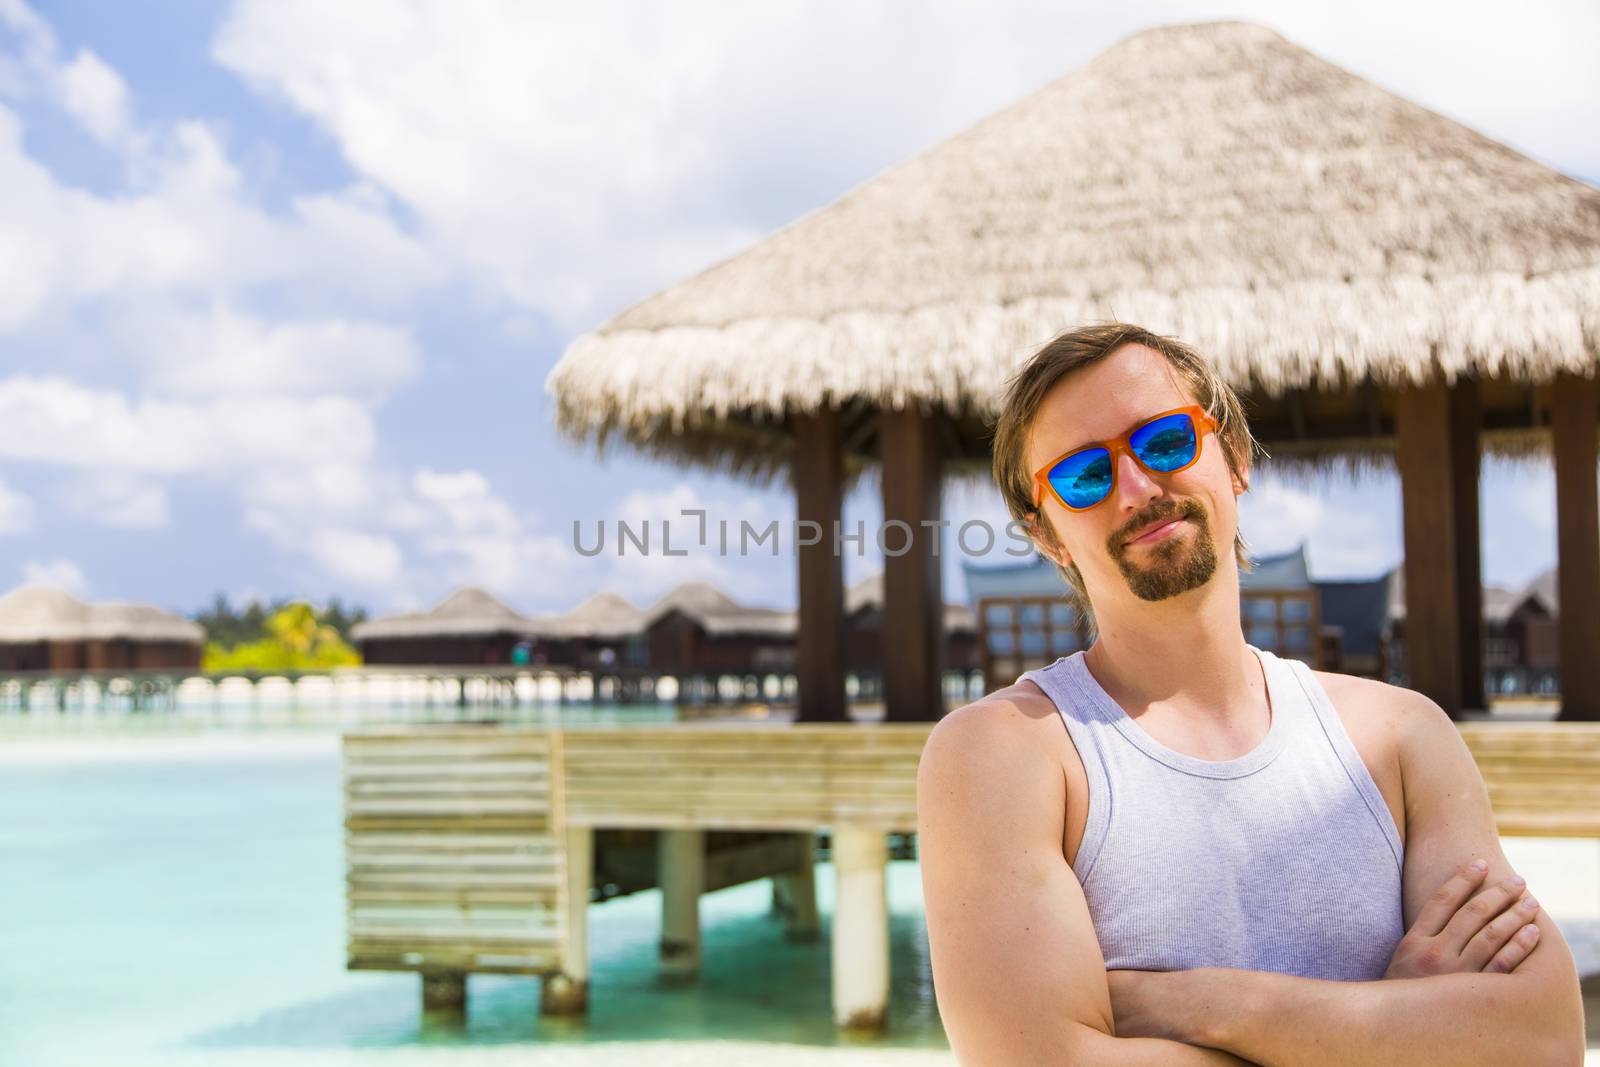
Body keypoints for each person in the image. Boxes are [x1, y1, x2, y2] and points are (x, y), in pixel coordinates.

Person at [917, 323, 1585, 1065]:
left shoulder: (1399, 736)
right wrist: (1394, 1026)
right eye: (1083, 476)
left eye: (1165, 441)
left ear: (1232, 455)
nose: (1136, 486)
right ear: (1047, 535)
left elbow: (1545, 1037)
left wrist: (1203, 1002)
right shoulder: (1005, 753)